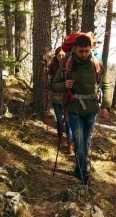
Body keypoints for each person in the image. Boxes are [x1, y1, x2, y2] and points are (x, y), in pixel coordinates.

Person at [52, 35, 111, 184]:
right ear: (75, 49)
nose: (84, 54)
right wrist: (65, 85)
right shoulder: (67, 63)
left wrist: (106, 107)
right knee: (79, 142)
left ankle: (79, 168)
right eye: (81, 51)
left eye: (86, 51)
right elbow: (54, 84)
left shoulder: (97, 64)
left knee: (86, 142)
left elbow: (106, 85)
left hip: (91, 110)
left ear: (90, 49)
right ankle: (85, 176)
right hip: (74, 110)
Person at [46, 47, 74, 154]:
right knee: (59, 120)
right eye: (59, 55)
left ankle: (70, 142)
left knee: (68, 121)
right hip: (56, 98)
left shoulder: (68, 65)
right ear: (56, 56)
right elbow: (42, 73)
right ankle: (60, 138)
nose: (61, 57)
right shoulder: (52, 66)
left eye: (62, 55)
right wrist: (42, 62)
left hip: (67, 98)